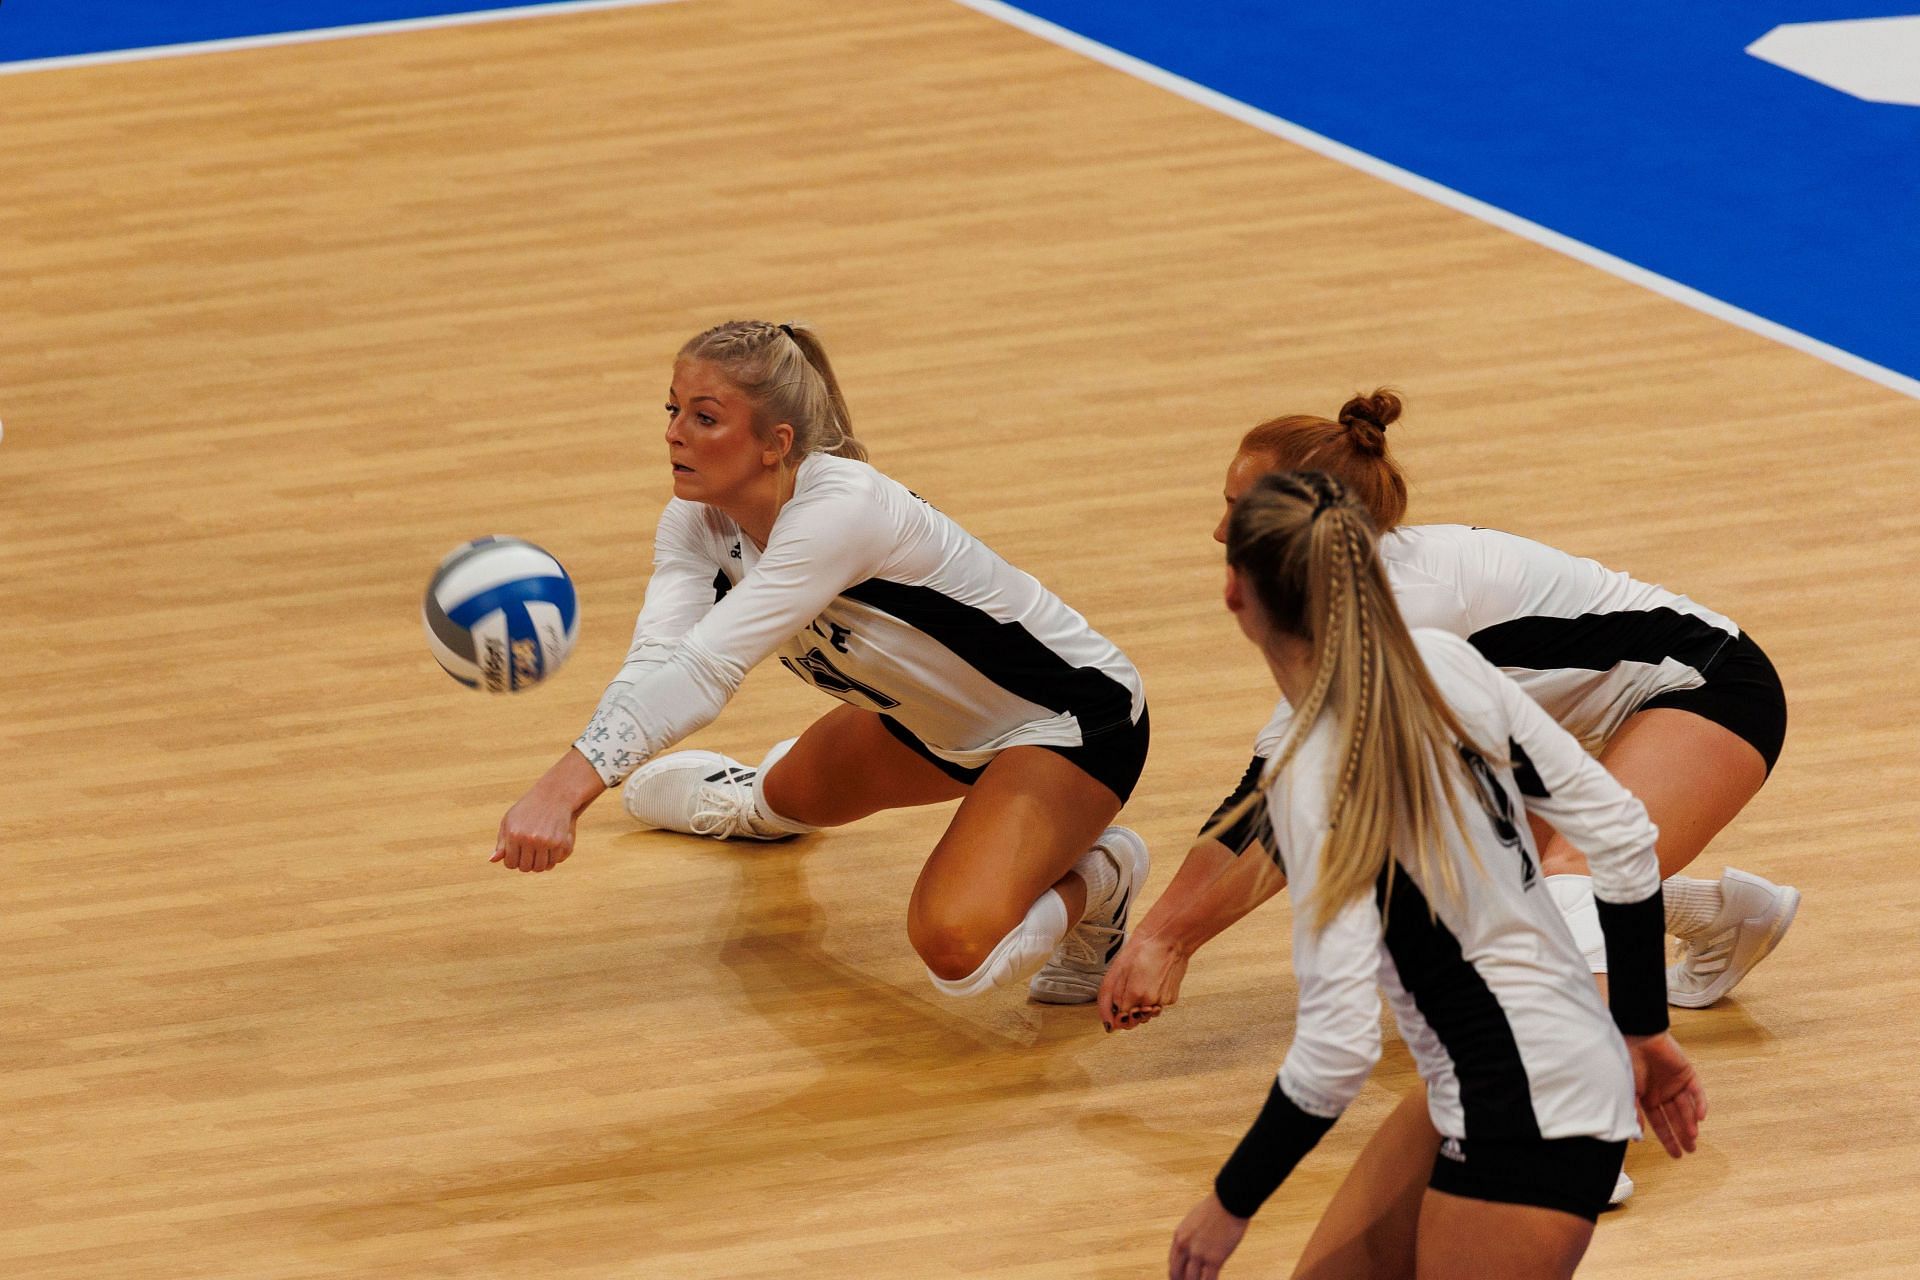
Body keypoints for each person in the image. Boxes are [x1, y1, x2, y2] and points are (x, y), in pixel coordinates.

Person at [491, 320, 1151, 1005]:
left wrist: (563, 790)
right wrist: (576, 775)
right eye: (673, 409)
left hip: (1068, 722)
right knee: (782, 803)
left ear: (776, 443)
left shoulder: (844, 508)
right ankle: (745, 797)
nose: (673, 433)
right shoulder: (697, 520)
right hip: (926, 724)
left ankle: (1104, 876)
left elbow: (705, 670)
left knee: (957, 951)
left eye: (705, 417)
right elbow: (657, 661)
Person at [1104, 390, 1796, 1037]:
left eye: (1241, 510)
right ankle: (1721, 917)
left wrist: (1171, 939)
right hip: (1569, 728)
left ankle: (1587, 1122)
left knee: (1572, 885)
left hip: (1706, 690)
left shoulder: (1400, 606)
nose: (1221, 531)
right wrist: (1158, 937)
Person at [1165, 471, 1705, 1280]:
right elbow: (1623, 840)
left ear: (1236, 594)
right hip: (1517, 1072)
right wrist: (1638, 1023)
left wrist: (1229, 1204)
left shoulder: (1310, 781)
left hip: (1526, 1112)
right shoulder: (1446, 667)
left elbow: (1338, 1050)